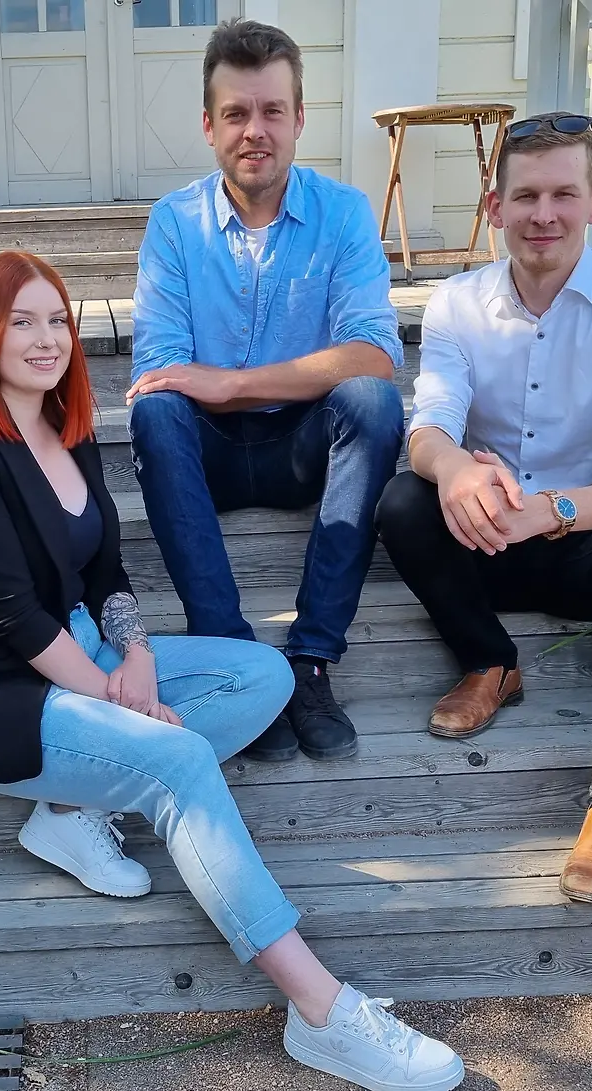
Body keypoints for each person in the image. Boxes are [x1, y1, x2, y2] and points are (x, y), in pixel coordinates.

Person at [0, 251, 465, 1091]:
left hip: (87, 652)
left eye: (57, 320)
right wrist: (119, 702)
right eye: (21, 322)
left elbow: (105, 571)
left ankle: (69, 808)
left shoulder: (65, 430)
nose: (46, 338)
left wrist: (134, 653)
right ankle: (321, 1010)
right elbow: (9, 613)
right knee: (180, 760)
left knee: (264, 676)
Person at [374, 112, 592, 904]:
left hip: (589, 544)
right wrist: (457, 468)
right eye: (525, 196)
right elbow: (430, 427)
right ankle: (491, 661)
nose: (543, 215)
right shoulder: (456, 303)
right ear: (495, 207)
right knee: (406, 501)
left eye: (562, 194)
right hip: (488, 538)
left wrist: (554, 508)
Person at [126, 19, 406, 765]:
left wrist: (234, 381)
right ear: (209, 126)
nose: (255, 130)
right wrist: (217, 387)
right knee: (155, 410)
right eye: (236, 113)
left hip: (300, 449)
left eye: (272, 110)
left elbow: (375, 355)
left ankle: (310, 661)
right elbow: (160, 368)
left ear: (299, 118)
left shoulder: (342, 212)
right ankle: (234, 657)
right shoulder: (174, 223)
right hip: (208, 456)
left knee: (374, 403)